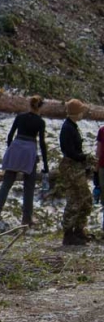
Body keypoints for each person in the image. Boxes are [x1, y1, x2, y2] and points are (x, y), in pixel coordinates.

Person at [0, 95, 48, 226]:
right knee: (29, 185)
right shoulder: (40, 122)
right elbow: (42, 143)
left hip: (16, 146)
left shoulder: (20, 117)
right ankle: (26, 218)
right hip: (29, 151)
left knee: (7, 182)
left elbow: (10, 135)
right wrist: (46, 164)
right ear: (40, 107)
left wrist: (11, 150)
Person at [58, 98, 95, 245]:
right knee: (76, 200)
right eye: (81, 111)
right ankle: (69, 233)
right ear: (76, 113)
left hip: (76, 167)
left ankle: (78, 230)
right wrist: (86, 157)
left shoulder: (72, 126)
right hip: (71, 167)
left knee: (85, 200)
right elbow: (71, 152)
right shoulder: (67, 128)